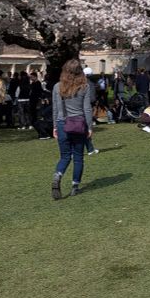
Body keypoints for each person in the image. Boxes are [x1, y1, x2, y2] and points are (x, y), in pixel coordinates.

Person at [51, 58, 94, 199]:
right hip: (78, 123)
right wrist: (89, 127)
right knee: (78, 157)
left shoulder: (57, 87)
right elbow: (87, 109)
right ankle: (75, 185)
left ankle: (58, 175)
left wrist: (55, 126)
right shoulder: (84, 87)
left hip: (62, 123)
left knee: (64, 156)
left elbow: (55, 109)